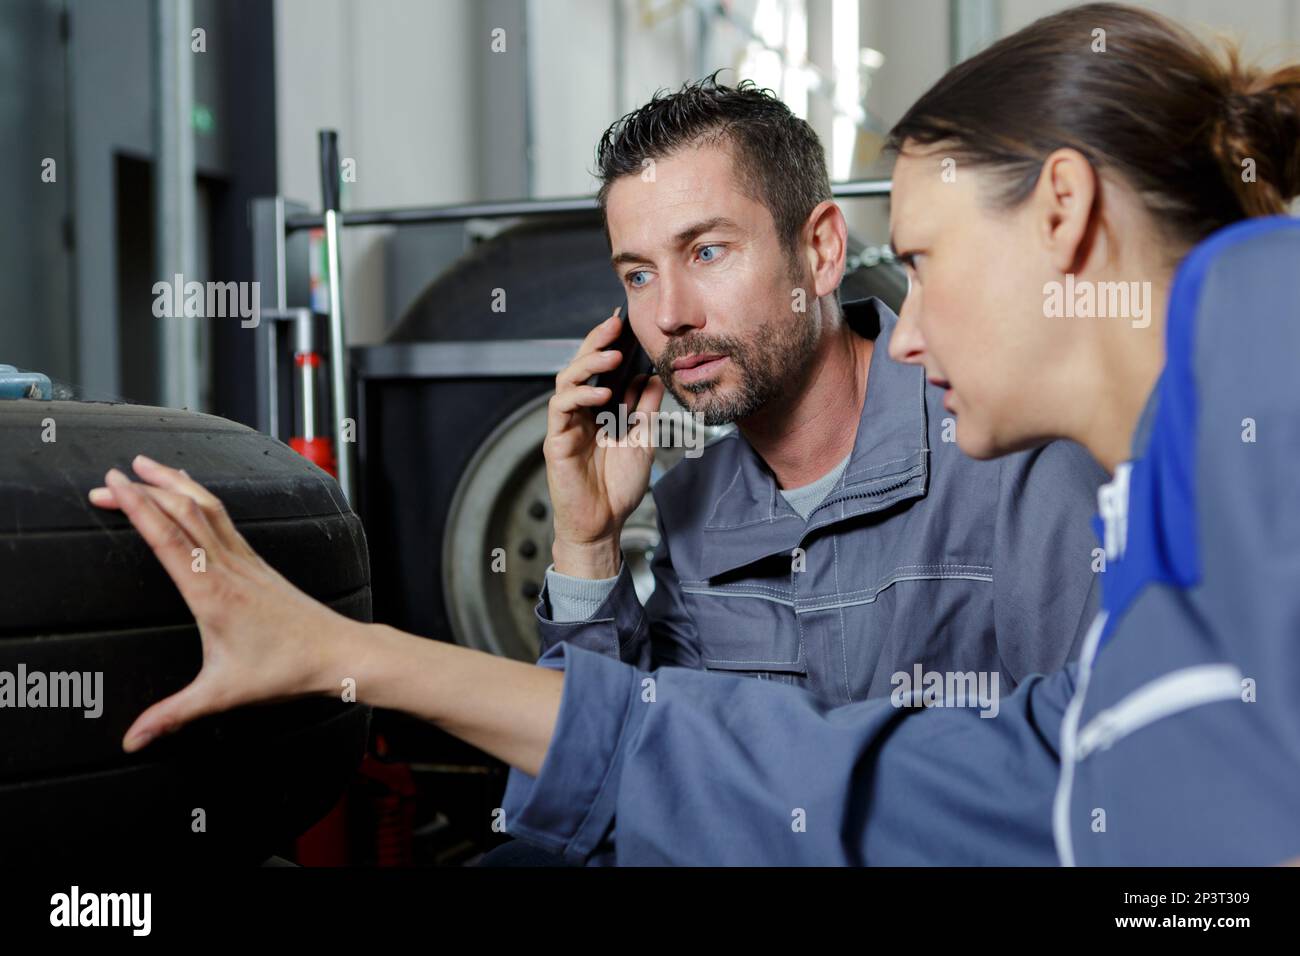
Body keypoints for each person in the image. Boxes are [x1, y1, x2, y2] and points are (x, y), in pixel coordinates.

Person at [91, 2, 1300, 864]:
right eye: (633, 271)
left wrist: (347, 651)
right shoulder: (695, 508)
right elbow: (632, 793)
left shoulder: (1076, 460)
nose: (665, 313)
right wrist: (581, 550)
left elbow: (914, 795)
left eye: (707, 252)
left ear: (820, 250)